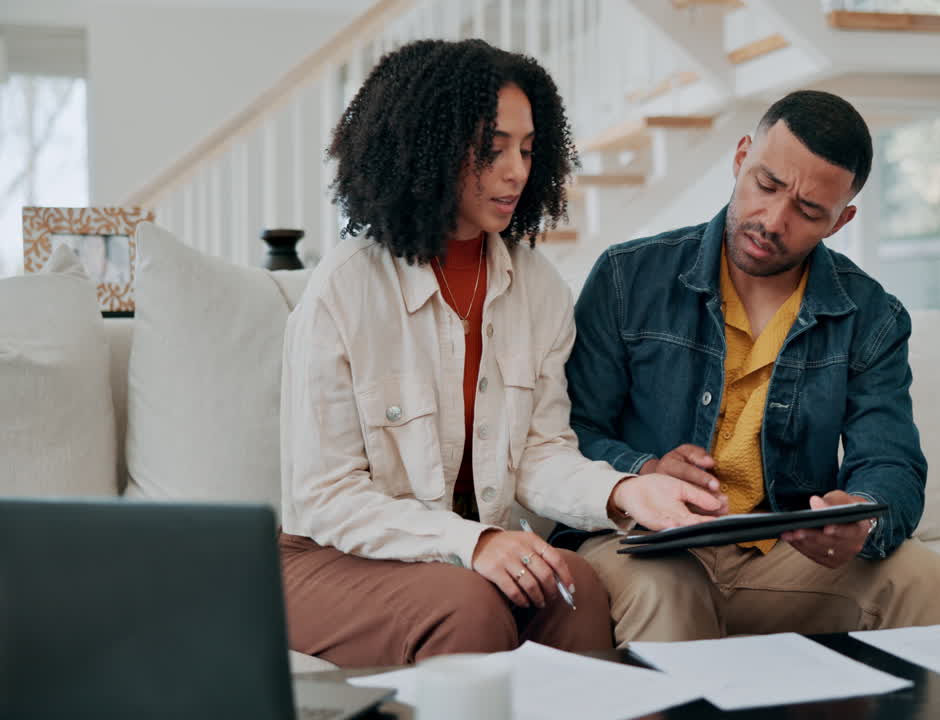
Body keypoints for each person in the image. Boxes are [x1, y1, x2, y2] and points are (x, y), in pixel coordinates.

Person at [277, 39, 722, 667]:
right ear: (425, 149)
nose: (517, 170)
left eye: (528, 149)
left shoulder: (536, 287)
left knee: (572, 587)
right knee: (470, 603)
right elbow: (326, 496)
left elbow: (540, 454)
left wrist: (625, 492)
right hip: (328, 558)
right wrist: (478, 542)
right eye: (492, 150)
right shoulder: (344, 289)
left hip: (458, 557)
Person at [561, 90, 940, 643]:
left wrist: (861, 516)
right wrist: (646, 471)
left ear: (841, 220)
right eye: (766, 185)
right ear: (741, 157)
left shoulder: (872, 315)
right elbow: (565, 435)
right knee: (670, 592)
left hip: (780, 556)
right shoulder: (627, 277)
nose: (772, 220)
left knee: (924, 578)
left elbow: (891, 461)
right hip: (646, 541)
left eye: (807, 211)